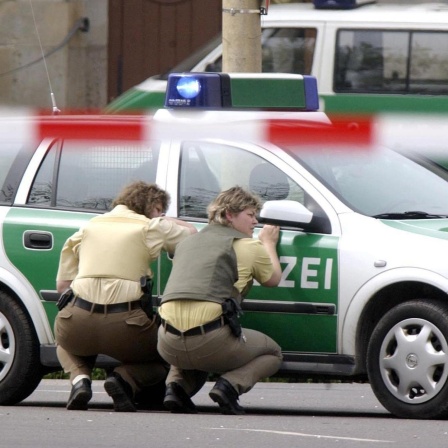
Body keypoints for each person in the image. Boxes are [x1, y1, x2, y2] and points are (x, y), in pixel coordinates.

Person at [54, 181, 197, 412]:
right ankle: (123, 379)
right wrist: (165, 220)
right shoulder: (151, 227)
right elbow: (191, 234)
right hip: (127, 325)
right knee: (166, 353)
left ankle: (80, 380)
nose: (161, 215)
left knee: (64, 341)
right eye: (161, 210)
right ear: (153, 206)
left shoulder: (90, 226)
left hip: (77, 320)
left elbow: (62, 285)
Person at [157, 186, 283, 415]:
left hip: (167, 342)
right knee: (273, 353)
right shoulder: (249, 245)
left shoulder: (187, 243)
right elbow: (273, 279)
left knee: (188, 331)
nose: (255, 222)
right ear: (228, 215)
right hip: (209, 341)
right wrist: (269, 243)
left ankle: (175, 388)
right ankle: (229, 386)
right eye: (250, 214)